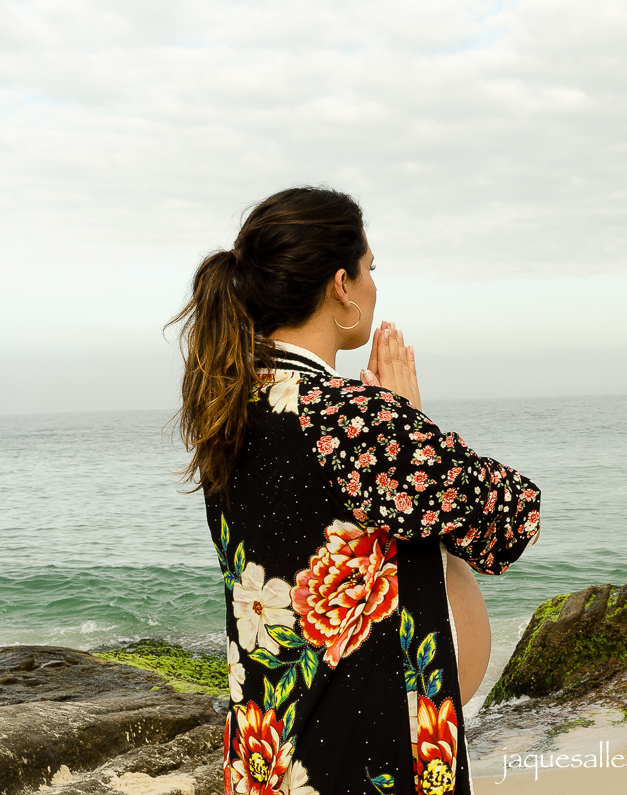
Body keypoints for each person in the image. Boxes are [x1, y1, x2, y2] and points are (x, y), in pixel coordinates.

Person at [169, 186, 541, 795]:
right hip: (362, 765)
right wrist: (412, 421)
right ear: (340, 284)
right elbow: (513, 519)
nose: (373, 286)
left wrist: (400, 430)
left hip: (266, 757)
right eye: (370, 270)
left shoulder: (228, 411)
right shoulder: (352, 420)